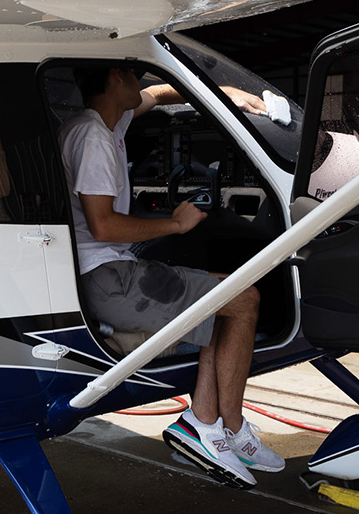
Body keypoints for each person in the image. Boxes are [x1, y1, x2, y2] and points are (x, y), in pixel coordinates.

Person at [60, 64, 285, 487]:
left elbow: (161, 94)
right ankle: (229, 427)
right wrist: (176, 225)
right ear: (114, 78)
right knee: (245, 299)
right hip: (107, 276)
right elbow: (103, 226)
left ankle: (203, 422)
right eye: (132, 72)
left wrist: (227, 94)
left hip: (109, 269)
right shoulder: (93, 139)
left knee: (219, 300)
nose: (138, 81)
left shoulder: (103, 121)